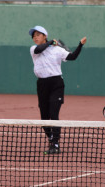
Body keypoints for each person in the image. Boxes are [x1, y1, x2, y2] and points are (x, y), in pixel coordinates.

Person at [29, 25, 87, 154]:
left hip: (56, 84)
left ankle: (55, 143)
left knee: (54, 114)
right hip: (42, 85)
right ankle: (51, 138)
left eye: (38, 35)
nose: (35, 37)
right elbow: (39, 49)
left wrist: (80, 45)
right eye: (34, 36)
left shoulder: (57, 50)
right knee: (44, 117)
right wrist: (50, 42)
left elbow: (72, 57)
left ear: (45, 36)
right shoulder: (34, 49)